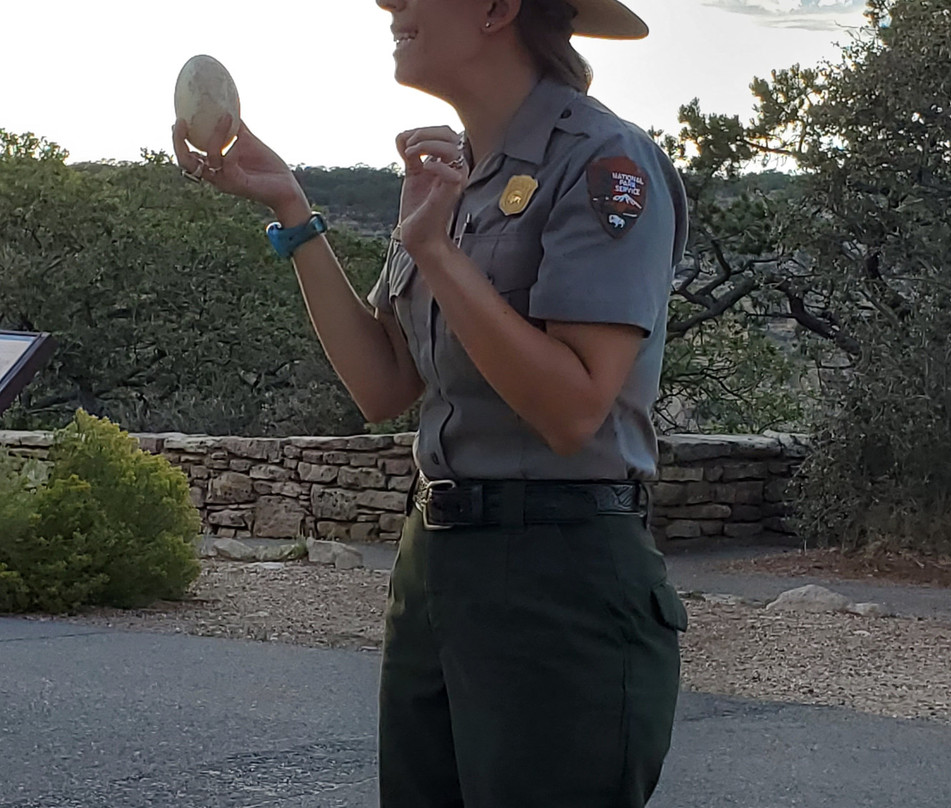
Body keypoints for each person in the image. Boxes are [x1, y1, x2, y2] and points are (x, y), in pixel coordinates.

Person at [173, 0, 688, 805]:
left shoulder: (601, 162)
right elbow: (384, 384)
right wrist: (293, 210)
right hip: (437, 565)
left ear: (496, 9)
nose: (390, 3)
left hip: (560, 571)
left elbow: (574, 409)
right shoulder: (459, 174)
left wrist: (437, 253)